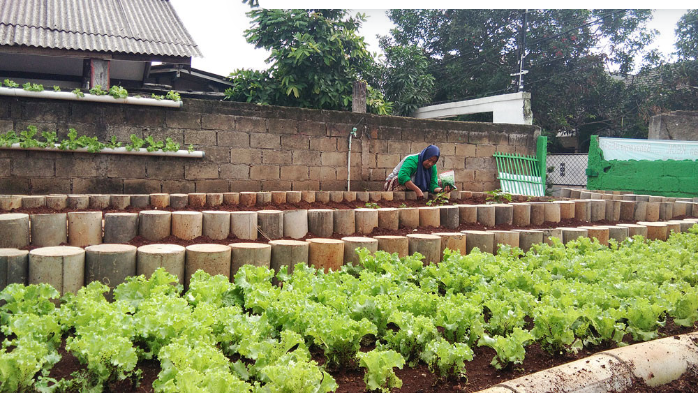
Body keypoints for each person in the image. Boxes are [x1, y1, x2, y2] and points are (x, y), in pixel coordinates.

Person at [383, 144, 452, 199]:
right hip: (394, 183)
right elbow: (402, 176)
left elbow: (433, 184)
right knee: (398, 179)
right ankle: (397, 200)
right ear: (425, 156)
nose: (430, 163)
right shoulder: (412, 160)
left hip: (414, 183)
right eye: (429, 160)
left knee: (439, 182)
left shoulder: (432, 167)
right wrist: (418, 190)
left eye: (433, 162)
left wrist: (442, 190)